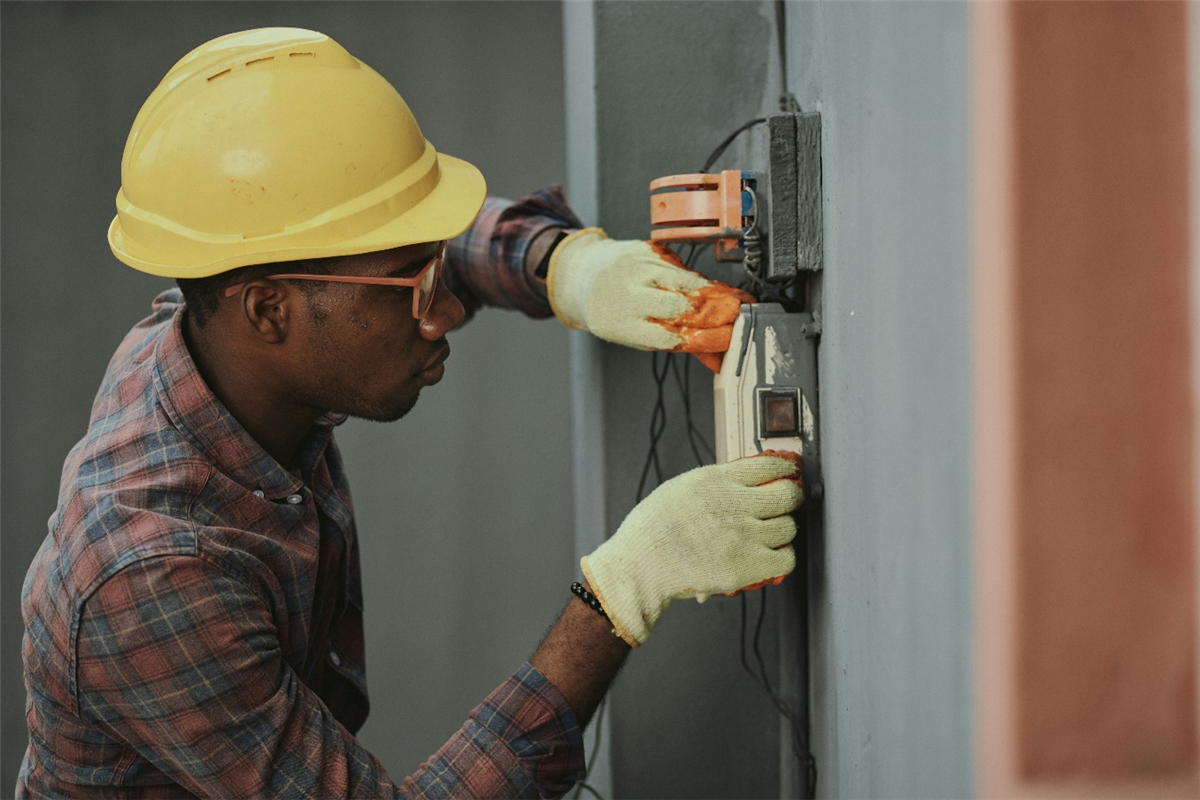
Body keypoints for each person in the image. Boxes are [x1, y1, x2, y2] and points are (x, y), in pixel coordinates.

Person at [18, 28, 804, 799]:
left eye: (434, 272)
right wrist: (624, 590)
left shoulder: (216, 320)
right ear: (266, 311)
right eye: (413, 289)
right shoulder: (150, 574)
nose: (443, 316)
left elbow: (382, 246)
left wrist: (561, 266)